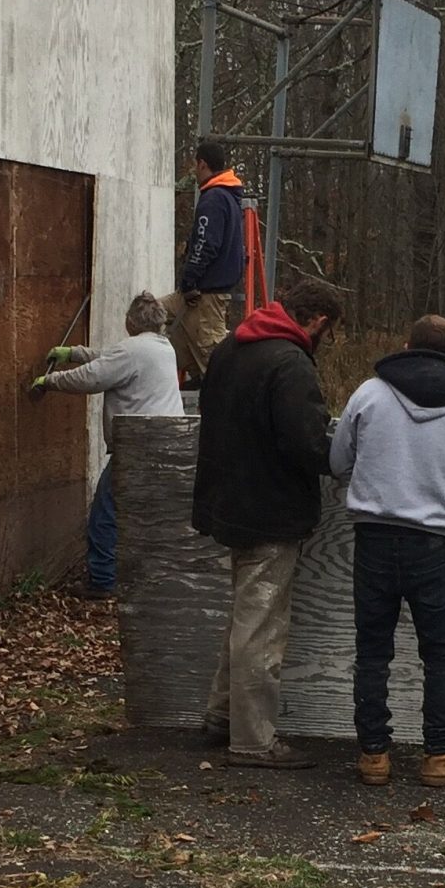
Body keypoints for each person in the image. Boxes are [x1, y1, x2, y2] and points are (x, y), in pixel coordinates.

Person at [192, 272, 345, 768]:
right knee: (261, 627)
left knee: (245, 615)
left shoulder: (231, 348)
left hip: (228, 501)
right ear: (317, 321)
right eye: (329, 331)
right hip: (271, 510)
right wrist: (341, 450)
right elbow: (309, 445)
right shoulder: (290, 363)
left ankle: (221, 717)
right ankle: (254, 742)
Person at [328, 314, 445, 787]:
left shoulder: (369, 394)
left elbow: (339, 461)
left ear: (405, 345)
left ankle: (373, 755)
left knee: (372, 651)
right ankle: (440, 754)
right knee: (439, 654)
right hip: (432, 545)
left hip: (373, 540)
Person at [31, 293, 184, 595]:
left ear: (130, 321)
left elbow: (94, 377)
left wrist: (50, 381)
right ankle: (148, 574)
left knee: (105, 514)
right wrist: (74, 352)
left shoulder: (132, 351)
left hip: (139, 445)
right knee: (149, 514)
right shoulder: (162, 347)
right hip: (167, 442)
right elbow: (110, 358)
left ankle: (102, 581)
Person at [163, 139, 246, 383]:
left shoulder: (213, 199)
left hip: (204, 294)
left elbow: (204, 244)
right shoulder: (229, 197)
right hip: (205, 291)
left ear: (202, 164)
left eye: (195, 166)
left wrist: (189, 281)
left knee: (215, 356)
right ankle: (196, 372)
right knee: (155, 313)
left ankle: (216, 385)